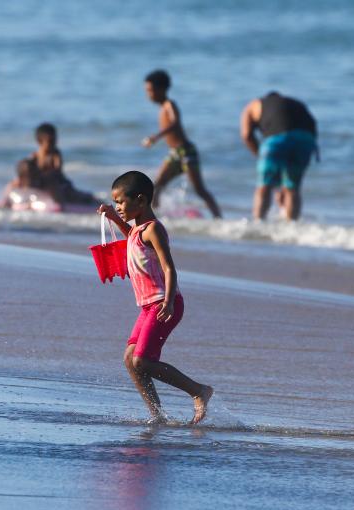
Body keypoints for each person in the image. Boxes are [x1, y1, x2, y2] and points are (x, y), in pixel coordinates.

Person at [97, 170, 213, 425]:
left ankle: (199, 391)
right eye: (115, 202)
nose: (119, 206)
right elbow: (131, 239)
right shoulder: (138, 230)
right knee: (130, 359)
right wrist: (114, 218)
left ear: (140, 200)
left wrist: (169, 300)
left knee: (143, 360)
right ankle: (157, 415)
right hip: (147, 307)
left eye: (121, 202)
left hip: (163, 304)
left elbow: (169, 267)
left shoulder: (154, 230)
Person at [141, 70, 222, 219]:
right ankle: (155, 219)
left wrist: (156, 137)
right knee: (157, 186)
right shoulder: (162, 108)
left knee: (199, 190)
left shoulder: (169, 104)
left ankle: (218, 218)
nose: (149, 94)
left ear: (162, 89)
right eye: (147, 91)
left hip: (186, 152)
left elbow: (175, 122)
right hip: (174, 153)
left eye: (151, 90)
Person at [240, 91, 318, 221]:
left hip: (276, 140)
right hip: (306, 140)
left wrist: (260, 156)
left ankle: (258, 222)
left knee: (264, 185)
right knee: (292, 187)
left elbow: (246, 134)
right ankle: (291, 225)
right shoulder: (296, 103)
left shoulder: (254, 105)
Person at [30, 123, 99, 207]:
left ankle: (93, 199)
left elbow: (58, 169)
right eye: (51, 141)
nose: (54, 144)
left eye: (55, 141)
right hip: (44, 183)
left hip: (59, 182)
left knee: (76, 195)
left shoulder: (55, 154)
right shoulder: (34, 156)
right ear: (39, 141)